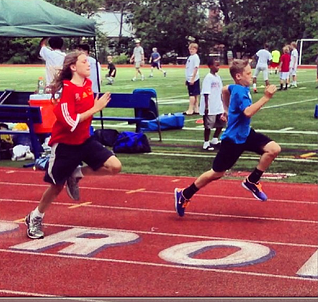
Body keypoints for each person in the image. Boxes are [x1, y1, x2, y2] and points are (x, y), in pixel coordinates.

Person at [24, 51, 122, 239]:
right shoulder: (65, 90)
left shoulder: (88, 84)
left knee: (115, 166)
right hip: (65, 144)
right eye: (84, 62)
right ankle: (35, 216)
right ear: (73, 67)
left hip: (84, 140)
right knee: (56, 186)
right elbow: (70, 122)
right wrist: (95, 107)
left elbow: (84, 113)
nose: (89, 64)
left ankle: (76, 174)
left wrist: (93, 107)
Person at [174, 59, 281, 217]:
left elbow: (225, 89)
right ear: (238, 76)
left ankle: (252, 181)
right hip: (233, 140)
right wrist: (266, 97)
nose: (251, 76)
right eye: (248, 73)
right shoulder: (240, 92)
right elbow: (248, 112)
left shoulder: (236, 87)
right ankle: (184, 194)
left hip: (246, 134)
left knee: (273, 149)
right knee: (216, 173)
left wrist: (226, 109)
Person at [199, 57, 227, 151]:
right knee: (208, 125)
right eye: (216, 65)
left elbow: (220, 91)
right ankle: (206, 143)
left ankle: (215, 139)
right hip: (210, 105)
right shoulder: (208, 78)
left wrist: (223, 103)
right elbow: (206, 93)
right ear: (210, 66)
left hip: (218, 105)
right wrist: (206, 106)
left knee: (221, 123)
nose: (218, 67)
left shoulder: (218, 77)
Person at [184, 43, 200, 115]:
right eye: (190, 49)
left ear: (196, 50)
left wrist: (192, 78)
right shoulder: (190, 57)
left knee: (192, 94)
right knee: (195, 94)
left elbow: (195, 68)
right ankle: (196, 109)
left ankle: (190, 110)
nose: (191, 50)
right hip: (189, 78)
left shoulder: (195, 57)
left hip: (193, 78)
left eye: (193, 49)